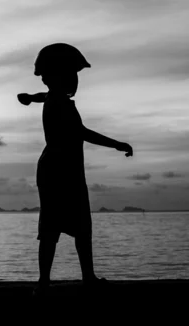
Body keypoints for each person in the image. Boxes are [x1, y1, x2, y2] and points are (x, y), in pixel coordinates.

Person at [17, 43, 133, 296]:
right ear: (61, 76)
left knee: (70, 226)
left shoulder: (53, 98)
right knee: (57, 228)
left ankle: (62, 280)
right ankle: (50, 282)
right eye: (73, 74)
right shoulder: (61, 103)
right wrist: (116, 144)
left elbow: (42, 96)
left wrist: (29, 97)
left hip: (58, 169)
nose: (76, 80)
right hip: (61, 171)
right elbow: (82, 133)